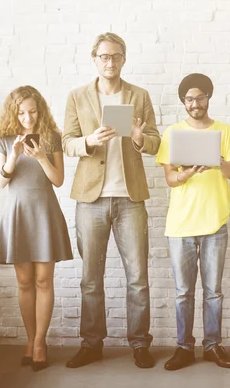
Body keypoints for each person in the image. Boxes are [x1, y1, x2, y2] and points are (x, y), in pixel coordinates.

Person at [62, 32, 160, 369]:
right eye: (104, 56)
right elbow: (66, 142)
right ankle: (91, 343)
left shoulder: (139, 95)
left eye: (116, 56)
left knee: (138, 277)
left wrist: (137, 137)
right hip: (91, 199)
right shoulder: (77, 96)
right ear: (95, 59)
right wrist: (88, 140)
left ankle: (139, 343)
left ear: (124, 59)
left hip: (130, 198)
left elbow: (155, 143)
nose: (110, 62)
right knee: (91, 277)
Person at [156, 73, 230, 371]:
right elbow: (170, 179)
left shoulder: (224, 131)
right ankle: (184, 347)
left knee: (214, 291)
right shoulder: (172, 134)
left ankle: (213, 345)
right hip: (180, 226)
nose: (195, 103)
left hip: (215, 223)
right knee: (183, 292)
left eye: (200, 97)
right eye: (190, 99)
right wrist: (188, 173)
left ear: (209, 98)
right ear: (183, 102)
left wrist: (216, 159)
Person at [0, 86, 73, 372]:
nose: (27, 118)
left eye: (32, 112)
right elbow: (0, 183)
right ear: (14, 113)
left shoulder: (51, 138)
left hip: (44, 214)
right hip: (18, 216)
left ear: (40, 110)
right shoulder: (3, 141)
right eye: (22, 113)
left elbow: (59, 180)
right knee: (24, 282)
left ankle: (40, 343)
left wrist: (39, 156)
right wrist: (13, 155)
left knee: (43, 281)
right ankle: (29, 340)